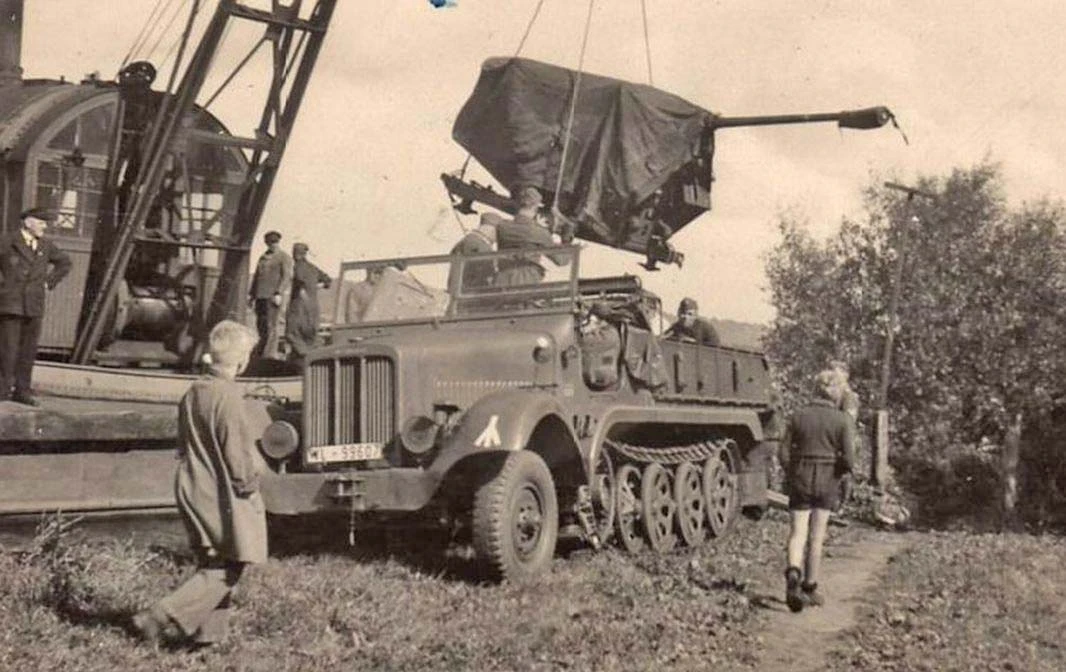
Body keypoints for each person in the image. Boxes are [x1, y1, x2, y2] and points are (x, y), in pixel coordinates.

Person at [131, 320, 267, 648]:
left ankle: (209, 639)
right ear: (243, 360)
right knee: (232, 565)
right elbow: (236, 453)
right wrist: (249, 485)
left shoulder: (194, 392)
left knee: (213, 562)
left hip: (193, 485)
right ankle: (161, 616)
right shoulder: (230, 397)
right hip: (222, 493)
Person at [779, 370, 856, 612]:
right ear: (836, 391)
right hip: (827, 479)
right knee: (817, 537)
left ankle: (793, 571)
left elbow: (782, 452)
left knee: (797, 533)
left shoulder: (798, 416)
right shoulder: (843, 420)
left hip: (800, 476)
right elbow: (850, 458)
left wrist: (791, 471)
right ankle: (809, 587)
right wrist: (840, 472)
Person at [0, 207, 71, 405]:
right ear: (28, 221)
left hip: (34, 305)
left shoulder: (46, 245)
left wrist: (50, 282)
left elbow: (65, 263)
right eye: (41, 222)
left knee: (28, 350)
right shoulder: (8, 240)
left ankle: (22, 391)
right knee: (8, 348)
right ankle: (2, 389)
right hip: (11, 303)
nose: (44, 226)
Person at [494, 186, 567, 287]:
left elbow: (523, 237)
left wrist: (537, 226)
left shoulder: (502, 227)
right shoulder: (539, 232)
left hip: (502, 280)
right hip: (526, 284)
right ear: (535, 207)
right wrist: (567, 242)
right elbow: (561, 260)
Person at [248, 230, 292, 360]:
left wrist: (279, 292)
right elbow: (257, 277)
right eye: (270, 242)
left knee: (271, 326)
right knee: (261, 325)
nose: (272, 244)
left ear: (278, 242)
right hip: (260, 296)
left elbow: (286, 276)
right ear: (266, 243)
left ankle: (269, 355)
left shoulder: (284, 257)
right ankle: (261, 353)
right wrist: (252, 295)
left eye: (275, 242)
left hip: (273, 297)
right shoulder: (263, 257)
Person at [285, 243, 331, 364]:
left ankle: (303, 359)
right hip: (313, 307)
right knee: (310, 334)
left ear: (295, 253)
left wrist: (300, 289)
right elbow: (328, 281)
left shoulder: (297, 267)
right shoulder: (313, 268)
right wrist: (316, 287)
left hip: (299, 306)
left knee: (292, 333)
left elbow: (300, 280)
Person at [447, 212, 499, 292]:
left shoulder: (466, 240)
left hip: (457, 291)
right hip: (470, 294)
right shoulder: (480, 245)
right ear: (492, 229)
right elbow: (486, 275)